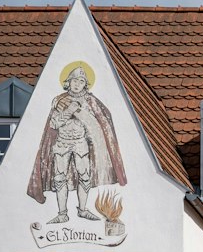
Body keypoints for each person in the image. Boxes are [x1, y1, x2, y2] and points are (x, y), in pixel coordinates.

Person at [26, 61, 127, 223]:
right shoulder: (60, 101)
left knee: (85, 176)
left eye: (81, 81)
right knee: (60, 178)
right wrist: (69, 110)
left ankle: (83, 210)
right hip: (62, 143)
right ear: (68, 82)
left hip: (81, 143)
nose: (77, 84)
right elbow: (54, 124)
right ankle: (62, 214)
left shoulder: (91, 101)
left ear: (85, 84)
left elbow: (98, 123)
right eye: (74, 80)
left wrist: (81, 114)